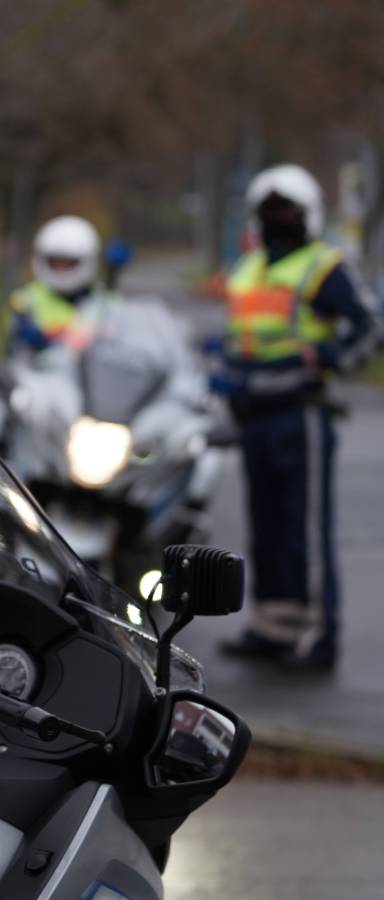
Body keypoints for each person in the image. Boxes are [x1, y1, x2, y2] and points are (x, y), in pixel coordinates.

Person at [216, 163, 378, 673]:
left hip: (300, 415)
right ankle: (273, 628)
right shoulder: (249, 268)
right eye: (271, 211)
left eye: (288, 211)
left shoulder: (323, 266)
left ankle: (317, 638)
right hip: (254, 415)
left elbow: (368, 327)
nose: (279, 219)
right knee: (265, 527)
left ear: (309, 215)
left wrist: (328, 360)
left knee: (302, 531)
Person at [9, 215, 104, 352]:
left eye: (68, 263)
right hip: (43, 370)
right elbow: (17, 343)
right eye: (56, 262)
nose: (61, 269)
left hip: (94, 371)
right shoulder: (25, 300)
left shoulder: (106, 302)